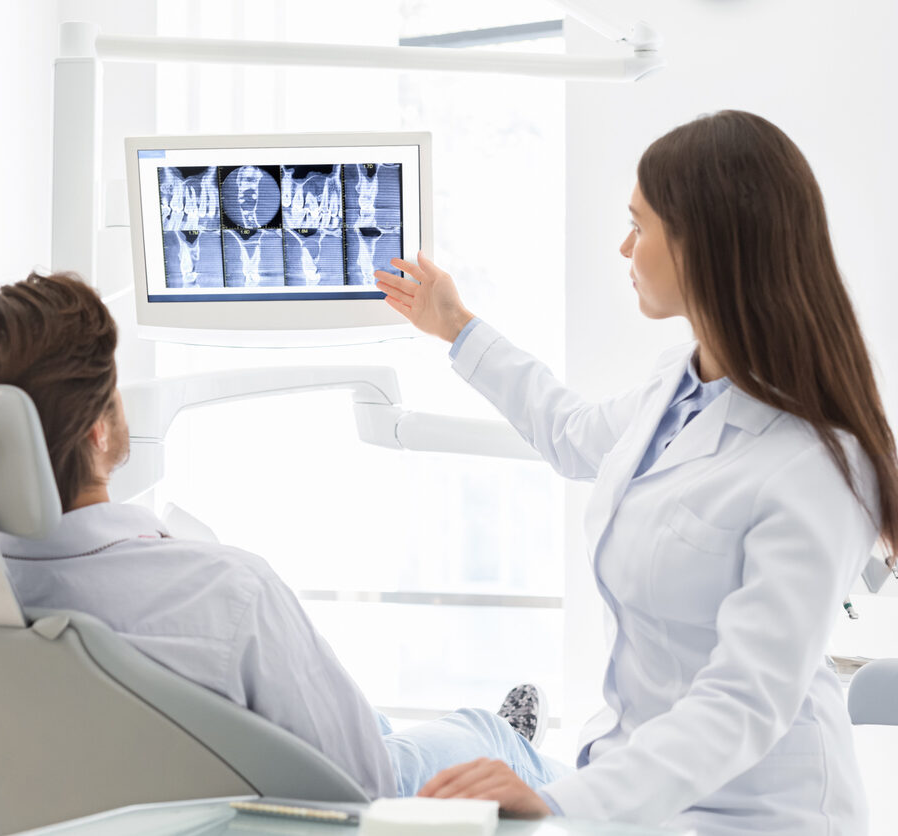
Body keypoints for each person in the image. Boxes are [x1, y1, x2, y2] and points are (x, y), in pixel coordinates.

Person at [375, 110, 897, 834]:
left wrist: (559, 802)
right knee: (448, 741)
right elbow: (571, 433)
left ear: (704, 246)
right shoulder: (681, 387)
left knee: (452, 776)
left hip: (741, 813)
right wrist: (457, 326)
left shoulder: (813, 466)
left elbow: (742, 704)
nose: (624, 246)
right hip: (626, 778)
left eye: (640, 225)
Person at [0, 271, 561, 803]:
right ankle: (506, 738)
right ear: (99, 433)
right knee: (470, 734)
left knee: (366, 720)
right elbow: (369, 790)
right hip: (310, 807)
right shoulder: (226, 594)